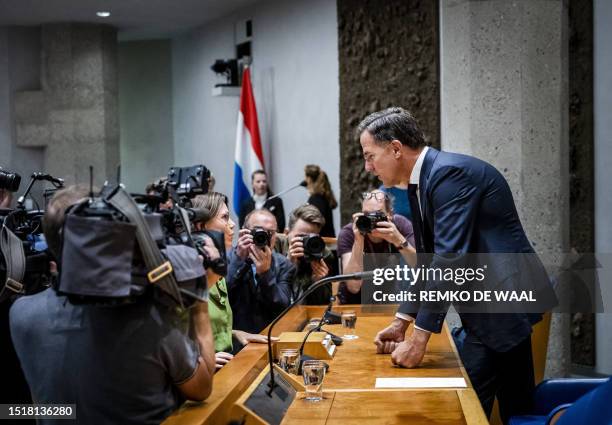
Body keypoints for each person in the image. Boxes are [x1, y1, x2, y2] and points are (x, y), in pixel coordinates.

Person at [359, 107, 554, 424]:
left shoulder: (449, 174)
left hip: (502, 304)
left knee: (465, 409)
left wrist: (419, 339)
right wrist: (402, 320)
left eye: (370, 156)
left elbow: (449, 258)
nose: (368, 167)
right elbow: (429, 260)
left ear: (395, 148)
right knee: (509, 407)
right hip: (487, 307)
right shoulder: (422, 181)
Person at [10, 186, 215, 424]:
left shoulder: (20, 314)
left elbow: (42, 405)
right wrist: (198, 299)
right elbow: (202, 388)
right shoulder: (149, 313)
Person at [192, 192, 273, 370]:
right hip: (200, 374)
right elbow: (172, 336)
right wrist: (199, 358)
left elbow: (212, 328)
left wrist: (236, 333)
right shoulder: (190, 274)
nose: (232, 224)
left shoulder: (218, 270)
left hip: (227, 364)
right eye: (225, 217)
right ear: (201, 225)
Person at [337, 189, 415, 304]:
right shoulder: (349, 233)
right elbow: (353, 287)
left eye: (377, 214)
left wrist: (398, 240)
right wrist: (359, 241)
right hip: (356, 304)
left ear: (390, 215)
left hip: (389, 300)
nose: (371, 220)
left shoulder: (400, 225)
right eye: (367, 215)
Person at [227, 209, 296, 334]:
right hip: (235, 340)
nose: (263, 236)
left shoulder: (284, 265)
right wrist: (239, 259)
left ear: (276, 236)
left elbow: (282, 307)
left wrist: (265, 273)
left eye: (270, 232)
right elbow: (223, 298)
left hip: (270, 337)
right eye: (258, 231)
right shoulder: (226, 259)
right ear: (244, 231)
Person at [275, 204, 333, 305]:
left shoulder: (322, 253)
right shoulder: (275, 246)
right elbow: (270, 296)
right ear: (286, 232)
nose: (307, 242)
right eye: (301, 237)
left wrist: (317, 283)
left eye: (312, 237)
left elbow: (323, 305)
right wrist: (288, 264)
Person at [304, 164, 337, 237]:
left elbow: (315, 221)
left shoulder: (316, 199)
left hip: (323, 241)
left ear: (309, 179)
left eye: (305, 177)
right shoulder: (321, 197)